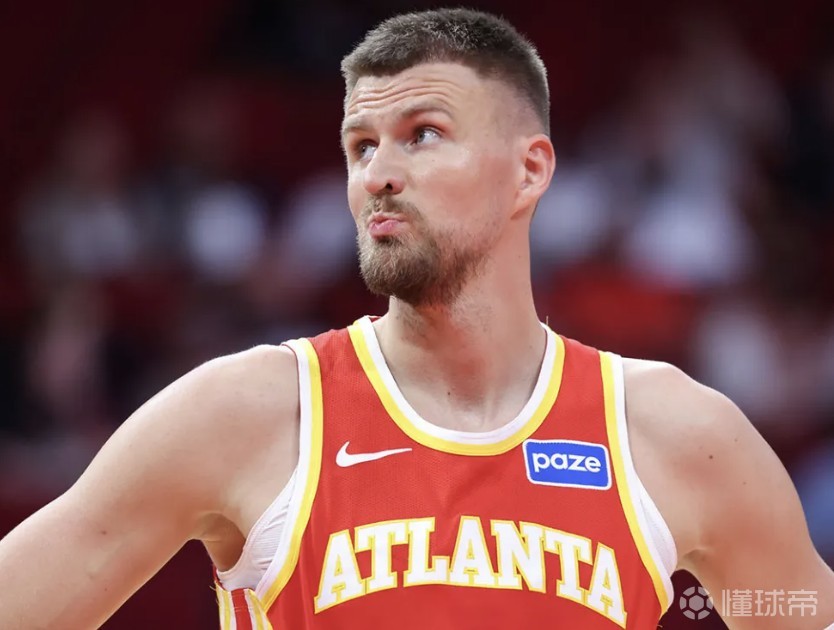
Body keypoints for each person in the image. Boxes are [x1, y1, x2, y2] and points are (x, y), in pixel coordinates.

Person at [1, 8, 833, 629]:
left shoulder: (677, 435)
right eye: (361, 146)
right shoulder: (248, 412)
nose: (379, 175)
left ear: (528, 171)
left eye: (422, 134)